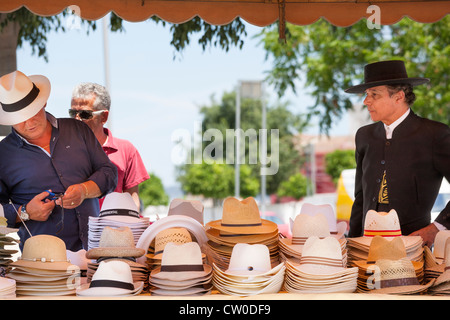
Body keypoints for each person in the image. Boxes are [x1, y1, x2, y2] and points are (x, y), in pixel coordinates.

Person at [0, 71, 118, 251]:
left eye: (33, 112)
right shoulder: (3, 155)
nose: (29, 122)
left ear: (43, 102)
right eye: (19, 118)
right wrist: (24, 212)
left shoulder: (78, 130)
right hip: (42, 264)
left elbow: (109, 173)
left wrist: (84, 190)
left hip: (95, 253)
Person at [345, 60, 450, 247]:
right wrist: (352, 244)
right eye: (366, 94)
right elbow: (360, 197)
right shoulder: (364, 136)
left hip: (412, 248)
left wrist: (437, 228)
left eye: (374, 94)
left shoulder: (434, 135)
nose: (366, 101)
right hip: (367, 247)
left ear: (399, 97)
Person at [70, 83, 150, 212]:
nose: (77, 119)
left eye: (84, 114)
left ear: (104, 117)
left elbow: (133, 199)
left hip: (114, 230)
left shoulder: (126, 150)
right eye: (73, 112)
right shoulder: (62, 149)